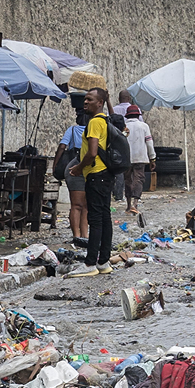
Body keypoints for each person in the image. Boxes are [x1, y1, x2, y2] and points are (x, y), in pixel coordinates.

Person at [66, 86, 114, 275]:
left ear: (100, 103)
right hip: (106, 175)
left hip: (96, 174)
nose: (85, 102)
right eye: (85, 99)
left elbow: (92, 153)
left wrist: (78, 168)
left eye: (90, 100)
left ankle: (90, 264)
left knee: (95, 219)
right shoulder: (106, 121)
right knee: (104, 217)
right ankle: (103, 261)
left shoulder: (94, 123)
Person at [54, 118, 87, 245]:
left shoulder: (72, 129)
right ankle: (84, 236)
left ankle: (77, 236)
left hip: (74, 168)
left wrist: (56, 164)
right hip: (88, 169)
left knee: (76, 205)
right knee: (85, 206)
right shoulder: (96, 128)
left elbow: (62, 146)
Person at [123, 104, 155, 212]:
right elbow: (149, 143)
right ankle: (135, 204)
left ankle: (128, 204)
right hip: (140, 157)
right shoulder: (144, 126)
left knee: (127, 180)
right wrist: (152, 158)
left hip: (126, 158)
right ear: (138, 115)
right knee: (139, 179)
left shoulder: (123, 126)